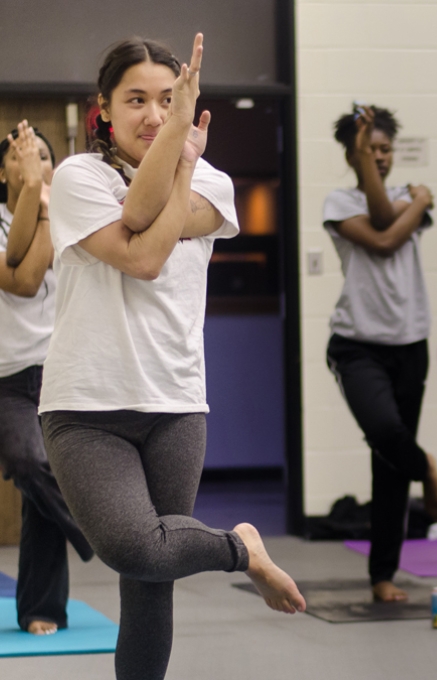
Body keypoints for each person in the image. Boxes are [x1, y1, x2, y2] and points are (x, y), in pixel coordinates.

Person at [38, 35, 305, 680]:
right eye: (137, 100)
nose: (155, 115)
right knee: (133, 548)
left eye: (169, 99)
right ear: (103, 108)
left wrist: (184, 166)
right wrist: (179, 149)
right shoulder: (78, 177)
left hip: (177, 404)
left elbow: (144, 220)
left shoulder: (214, 181)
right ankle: (239, 548)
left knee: (149, 584)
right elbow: (145, 253)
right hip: (85, 406)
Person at [324, 103, 437, 602]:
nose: (378, 157)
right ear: (352, 155)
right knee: (383, 431)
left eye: (385, 149)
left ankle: (383, 575)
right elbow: (384, 236)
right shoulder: (338, 201)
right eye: (368, 149)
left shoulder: (405, 194)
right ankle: (429, 469)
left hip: (409, 343)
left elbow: (388, 227)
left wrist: (414, 202)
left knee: (389, 465)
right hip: (356, 344)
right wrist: (419, 201)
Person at [0, 121, 95, 636]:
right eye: (20, 154)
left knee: (40, 498)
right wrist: (37, 195)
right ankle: (99, 533)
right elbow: (23, 279)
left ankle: (42, 608)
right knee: (28, 462)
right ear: (2, 170)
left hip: (61, 372)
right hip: (7, 380)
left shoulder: (69, 219)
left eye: (40, 154)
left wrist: (41, 199)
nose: (31, 161)